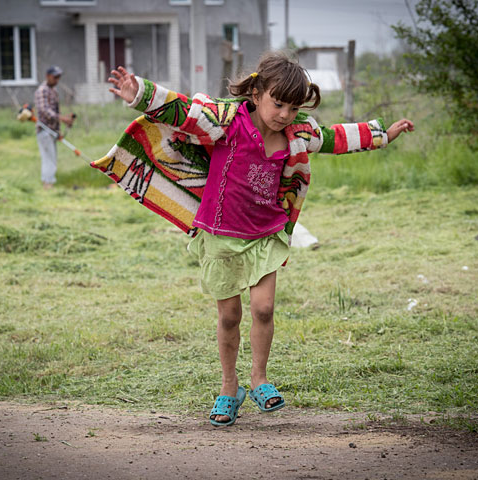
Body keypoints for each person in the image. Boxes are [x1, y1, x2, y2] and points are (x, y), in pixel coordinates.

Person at [96, 51, 414, 426]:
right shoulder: (227, 123)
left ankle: (259, 378)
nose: (284, 114)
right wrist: (141, 94)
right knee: (229, 315)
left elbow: (334, 137)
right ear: (257, 93)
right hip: (220, 234)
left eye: (293, 108)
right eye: (278, 103)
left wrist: (382, 135)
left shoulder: (298, 134)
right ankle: (229, 387)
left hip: (266, 233)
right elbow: (184, 111)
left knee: (263, 309)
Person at [34, 65, 74, 189]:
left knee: (52, 158)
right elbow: (44, 110)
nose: (57, 80)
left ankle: (48, 183)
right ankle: (47, 184)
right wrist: (62, 118)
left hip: (52, 131)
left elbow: (55, 112)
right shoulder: (42, 90)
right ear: (48, 76)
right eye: (55, 77)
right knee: (48, 159)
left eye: (59, 77)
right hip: (44, 130)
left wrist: (63, 123)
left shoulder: (54, 91)